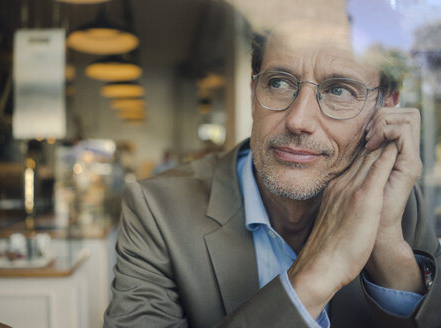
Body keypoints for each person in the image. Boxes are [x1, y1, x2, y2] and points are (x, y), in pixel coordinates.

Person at [104, 6, 441, 328]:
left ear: (387, 106)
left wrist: (387, 249)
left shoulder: (399, 204)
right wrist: (313, 276)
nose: (298, 120)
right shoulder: (156, 211)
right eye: (279, 83)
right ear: (254, 93)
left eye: (339, 89)